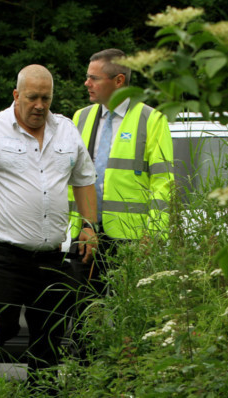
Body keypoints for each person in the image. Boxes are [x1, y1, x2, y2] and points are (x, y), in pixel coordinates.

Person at [0, 64, 98, 380]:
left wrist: (89, 226)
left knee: (49, 331)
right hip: (3, 255)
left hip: (51, 255)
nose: (39, 105)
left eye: (46, 98)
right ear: (16, 95)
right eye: (32, 98)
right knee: (0, 325)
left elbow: (84, 181)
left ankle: (43, 390)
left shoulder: (66, 130)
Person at [67, 49, 175, 357]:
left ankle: (129, 379)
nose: (86, 83)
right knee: (84, 315)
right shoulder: (81, 118)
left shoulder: (150, 120)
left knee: (131, 319)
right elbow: (71, 177)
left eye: (93, 78)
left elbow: (163, 183)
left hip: (131, 239)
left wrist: (154, 235)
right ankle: (85, 380)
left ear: (119, 80)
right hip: (87, 233)